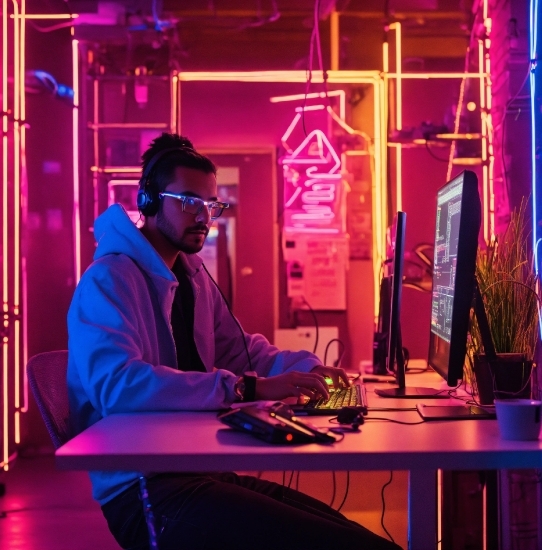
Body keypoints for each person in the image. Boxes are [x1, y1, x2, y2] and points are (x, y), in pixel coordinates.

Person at [67, 133, 402, 550]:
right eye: (190, 202)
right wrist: (244, 388)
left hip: (196, 471)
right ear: (150, 200)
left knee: (361, 538)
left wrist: (305, 369)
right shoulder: (109, 280)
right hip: (146, 495)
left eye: (211, 205)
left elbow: (242, 351)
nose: (204, 216)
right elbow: (117, 387)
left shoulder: (192, 278)